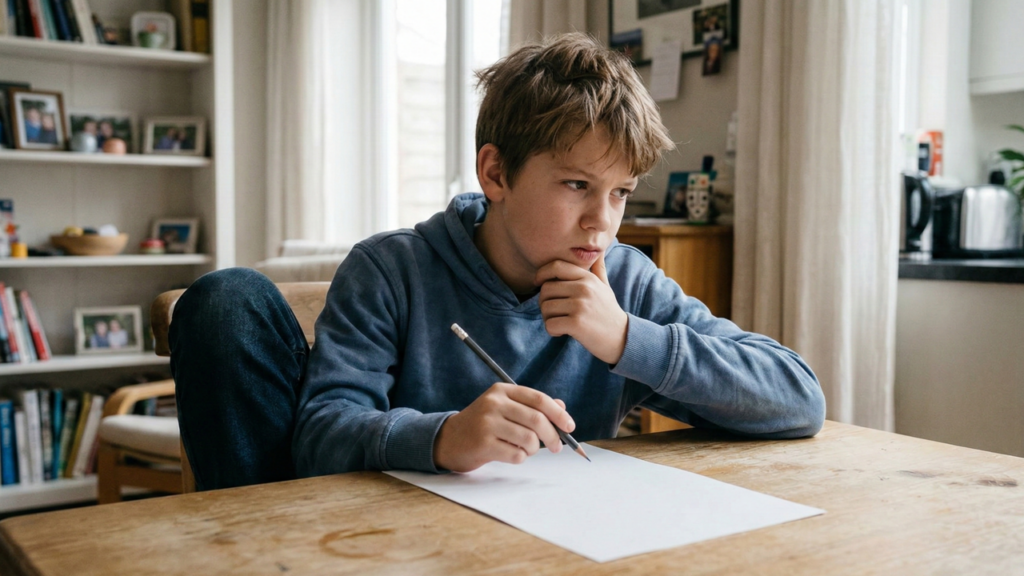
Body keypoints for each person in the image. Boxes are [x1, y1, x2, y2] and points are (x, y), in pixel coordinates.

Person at [169, 33, 825, 491]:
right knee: (225, 300)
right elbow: (318, 436)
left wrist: (627, 338)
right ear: (496, 173)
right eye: (576, 185)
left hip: (548, 541)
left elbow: (799, 399)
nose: (602, 222)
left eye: (620, 193)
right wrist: (445, 437)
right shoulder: (391, 270)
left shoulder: (622, 281)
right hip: (386, 542)